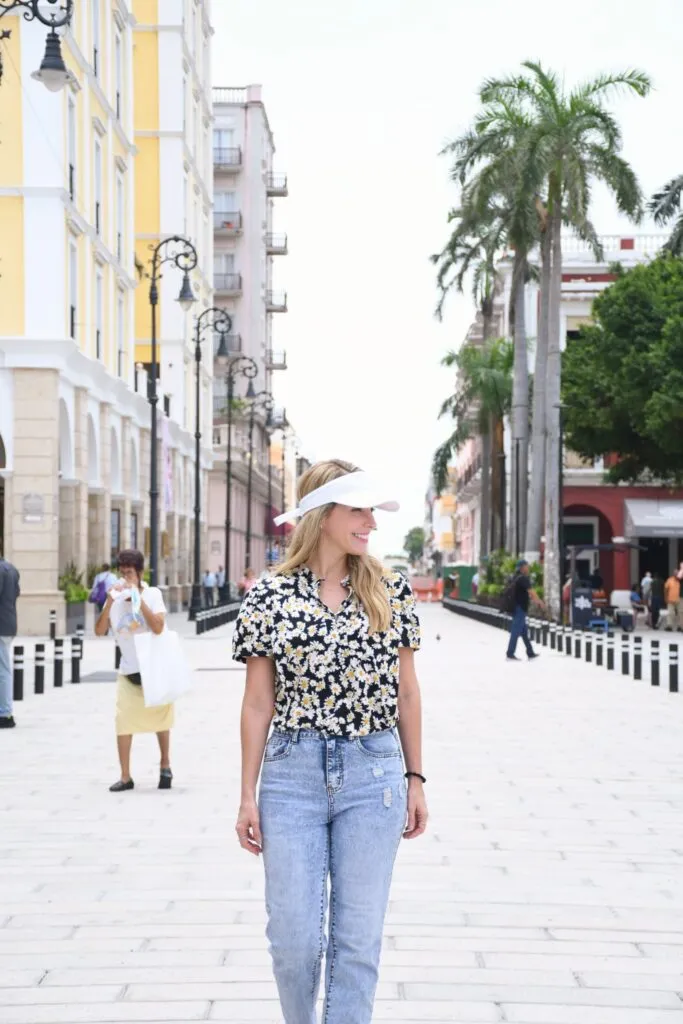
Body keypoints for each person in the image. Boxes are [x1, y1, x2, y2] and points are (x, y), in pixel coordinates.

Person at [233, 460, 427, 1024]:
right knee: (294, 940)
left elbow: (407, 693)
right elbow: (256, 703)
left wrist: (416, 779)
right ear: (323, 514)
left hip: (375, 773)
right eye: (359, 509)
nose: (371, 522)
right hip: (291, 773)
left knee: (357, 942)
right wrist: (247, 793)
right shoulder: (269, 596)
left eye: (371, 510)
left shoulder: (389, 590)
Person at [95, 549, 172, 792]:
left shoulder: (152, 594)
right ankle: (125, 776)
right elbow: (98, 631)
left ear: (139, 573)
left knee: (161, 721)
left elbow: (158, 627)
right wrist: (109, 601)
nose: (126, 577)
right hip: (128, 671)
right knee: (123, 723)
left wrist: (137, 599)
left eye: (130, 573)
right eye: (123, 572)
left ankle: (165, 765)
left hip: (154, 670)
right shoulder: (116, 600)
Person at [506, 559, 545, 661]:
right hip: (520, 608)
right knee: (515, 631)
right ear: (523, 567)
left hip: (515, 607)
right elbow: (531, 592)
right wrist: (540, 602)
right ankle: (510, 653)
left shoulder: (514, 577)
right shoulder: (523, 579)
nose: (528, 568)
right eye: (527, 566)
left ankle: (530, 652)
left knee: (523, 632)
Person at [0, 555, 20, 729]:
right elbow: (16, 594)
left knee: (3, 671)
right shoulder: (11, 569)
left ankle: (4, 713)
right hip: (8, 624)